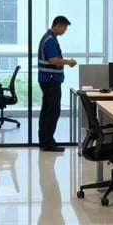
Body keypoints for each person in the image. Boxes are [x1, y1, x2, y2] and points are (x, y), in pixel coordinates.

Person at [37, 16, 77, 152]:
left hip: (49, 80)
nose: (65, 31)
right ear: (58, 25)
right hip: (51, 80)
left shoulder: (49, 38)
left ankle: (44, 140)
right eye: (64, 27)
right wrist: (68, 62)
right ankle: (48, 142)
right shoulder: (49, 40)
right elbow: (54, 60)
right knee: (52, 111)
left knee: (47, 110)